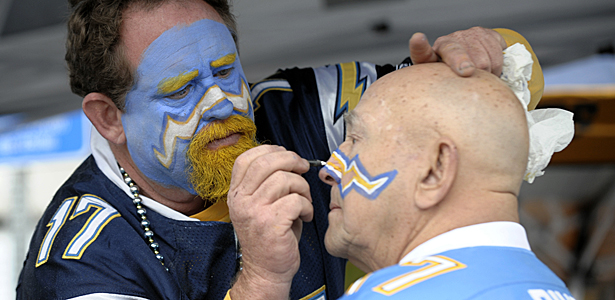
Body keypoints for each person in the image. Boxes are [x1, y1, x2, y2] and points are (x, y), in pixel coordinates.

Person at [16, 0, 544, 299]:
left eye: (226, 71)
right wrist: (263, 279)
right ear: (109, 118)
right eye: (181, 90)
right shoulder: (79, 264)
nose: (223, 103)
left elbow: (502, 86)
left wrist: (478, 53)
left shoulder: (292, 109)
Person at [251, 62, 572, 299]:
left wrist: (260, 280)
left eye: (356, 139)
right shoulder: (549, 289)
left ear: (435, 170)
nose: (327, 169)